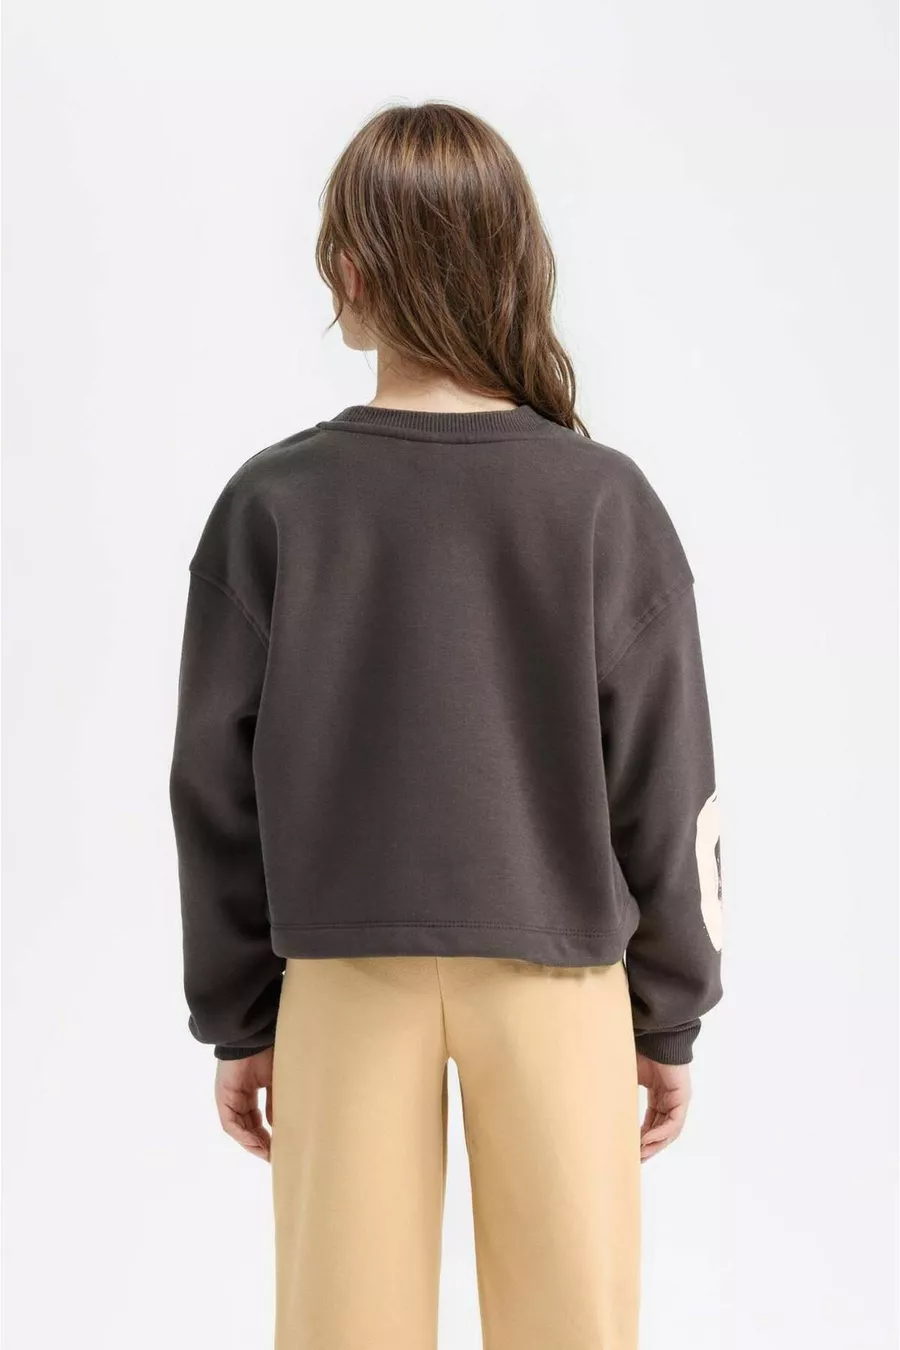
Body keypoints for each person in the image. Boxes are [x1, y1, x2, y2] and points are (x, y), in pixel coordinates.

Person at [170, 101, 723, 1350]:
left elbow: (213, 790)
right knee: (574, 1327)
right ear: (514, 262)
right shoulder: (600, 500)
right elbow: (667, 776)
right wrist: (670, 1011)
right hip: (562, 981)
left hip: (342, 981)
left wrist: (241, 1014)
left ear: (349, 270)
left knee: (341, 1328)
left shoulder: (274, 504)